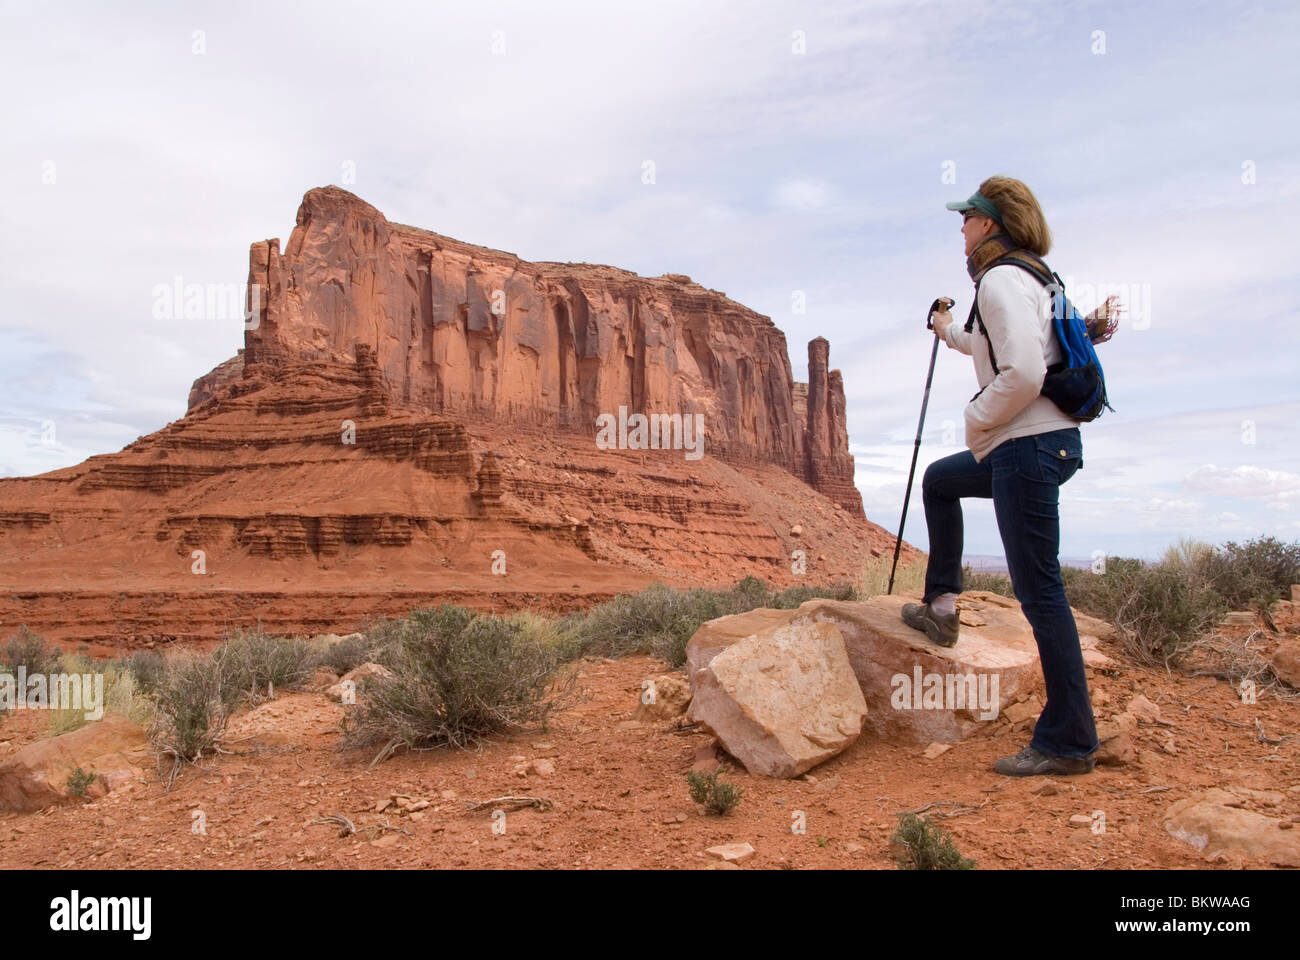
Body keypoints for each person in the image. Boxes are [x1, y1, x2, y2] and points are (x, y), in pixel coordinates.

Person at [901, 175, 1099, 776]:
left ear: (988, 223)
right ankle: (941, 605)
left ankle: (1068, 741)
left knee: (1041, 594)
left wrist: (975, 420)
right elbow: (989, 345)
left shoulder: (1000, 278)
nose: (959, 228)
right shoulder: (1032, 276)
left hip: (1026, 448)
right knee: (941, 481)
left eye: (966, 218)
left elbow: (1023, 372)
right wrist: (944, 330)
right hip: (1044, 446)